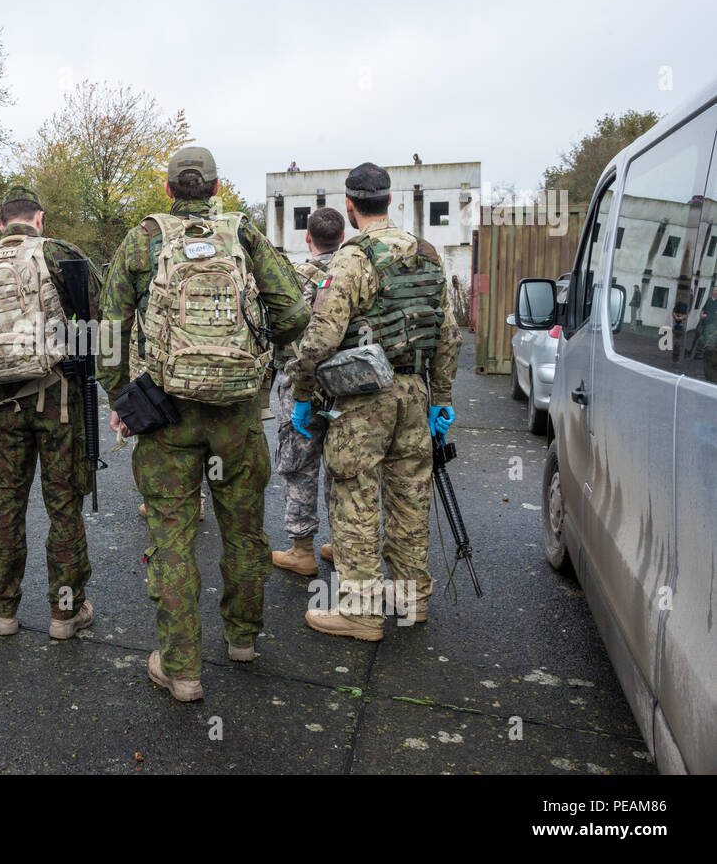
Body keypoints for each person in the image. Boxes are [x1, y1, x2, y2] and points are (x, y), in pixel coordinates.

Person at [99, 146, 310, 702]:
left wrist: (122, 396)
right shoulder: (243, 235)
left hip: (165, 416)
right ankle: (242, 640)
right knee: (244, 530)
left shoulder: (143, 240)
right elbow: (295, 311)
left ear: (169, 190)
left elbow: (109, 331)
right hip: (237, 416)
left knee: (171, 535)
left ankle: (182, 669)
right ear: (217, 188)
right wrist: (259, 358)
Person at [287, 162, 462, 641]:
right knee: (410, 497)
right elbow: (448, 334)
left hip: (362, 398)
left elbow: (320, 339)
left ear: (349, 205)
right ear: (390, 200)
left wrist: (302, 394)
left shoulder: (352, 259)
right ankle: (410, 599)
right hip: (415, 393)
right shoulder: (427, 254)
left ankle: (361, 611)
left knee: (355, 498)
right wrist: (441, 396)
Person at [0, 185, 102, 641]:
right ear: (40, 219)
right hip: (59, 400)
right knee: (64, 507)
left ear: (1, 224)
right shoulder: (61, 255)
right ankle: (64, 614)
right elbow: (97, 319)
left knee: (5, 506)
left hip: (1, 404)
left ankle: (3, 611)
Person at [271, 207, 345, 576]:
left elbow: (276, 329)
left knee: (299, 464)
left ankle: (302, 551)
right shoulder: (354, 274)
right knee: (343, 465)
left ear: (307, 237)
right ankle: (343, 545)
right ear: (342, 238)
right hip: (347, 386)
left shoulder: (294, 277)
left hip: (300, 386)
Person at [698, 285, 717, 382]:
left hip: (713, 328)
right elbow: (702, 312)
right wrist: (702, 315)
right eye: (715, 290)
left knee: (711, 349)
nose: (716, 292)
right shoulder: (709, 300)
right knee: (706, 348)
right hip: (706, 326)